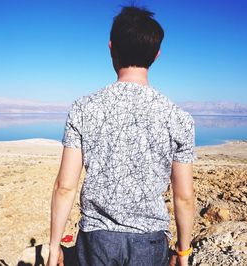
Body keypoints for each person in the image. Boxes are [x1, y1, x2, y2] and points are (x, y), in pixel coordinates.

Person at [48, 5, 196, 266]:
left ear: (111, 48)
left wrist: (53, 246)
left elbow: (65, 187)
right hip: (150, 243)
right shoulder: (179, 117)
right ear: (157, 55)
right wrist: (183, 253)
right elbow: (183, 197)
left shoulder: (84, 108)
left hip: (96, 241)